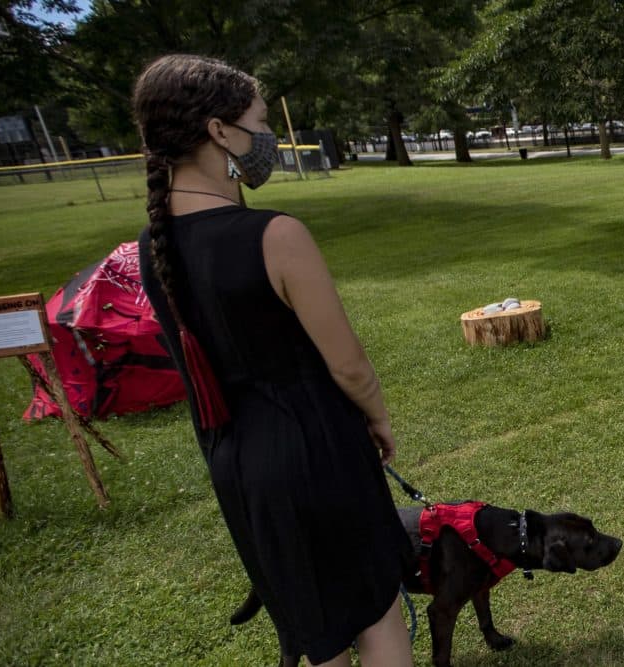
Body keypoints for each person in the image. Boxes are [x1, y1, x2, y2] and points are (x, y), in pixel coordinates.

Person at [132, 54, 414, 666]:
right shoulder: (276, 234)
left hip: (236, 463)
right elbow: (350, 368)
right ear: (218, 131)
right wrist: (379, 417)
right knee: (375, 611)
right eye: (260, 121)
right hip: (318, 450)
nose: (268, 137)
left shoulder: (149, 248)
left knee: (316, 630)